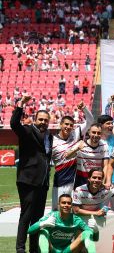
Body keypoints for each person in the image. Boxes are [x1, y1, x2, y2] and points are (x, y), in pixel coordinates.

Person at [11, 94, 53, 253]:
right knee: (26, 216)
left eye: (45, 120)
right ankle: (20, 249)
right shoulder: (28, 131)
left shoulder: (49, 136)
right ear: (35, 120)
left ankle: (34, 249)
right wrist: (21, 104)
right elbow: (14, 124)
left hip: (42, 184)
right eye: (40, 119)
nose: (43, 122)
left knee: (38, 220)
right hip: (28, 181)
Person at [51, 101, 94, 209]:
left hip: (75, 180)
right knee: (58, 209)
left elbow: (90, 121)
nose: (68, 127)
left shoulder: (75, 134)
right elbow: (65, 156)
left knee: (75, 210)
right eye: (66, 124)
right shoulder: (52, 140)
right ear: (60, 125)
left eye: (71, 125)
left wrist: (84, 108)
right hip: (61, 179)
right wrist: (76, 148)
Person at [27, 194, 98, 253]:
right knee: (43, 232)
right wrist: (43, 224)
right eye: (63, 202)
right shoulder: (51, 216)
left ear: (71, 206)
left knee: (86, 233)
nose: (66, 205)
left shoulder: (76, 220)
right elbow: (30, 231)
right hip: (51, 250)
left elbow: (94, 238)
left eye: (69, 203)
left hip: (67, 250)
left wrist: (95, 230)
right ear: (59, 204)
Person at [72, 123, 109, 188]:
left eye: (98, 133)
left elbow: (105, 165)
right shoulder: (81, 144)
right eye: (94, 132)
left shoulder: (104, 145)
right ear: (89, 132)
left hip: (96, 180)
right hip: (81, 179)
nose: (96, 135)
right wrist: (76, 149)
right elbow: (67, 156)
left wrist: (102, 181)